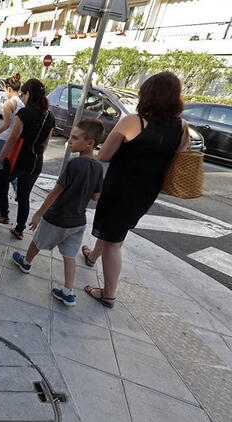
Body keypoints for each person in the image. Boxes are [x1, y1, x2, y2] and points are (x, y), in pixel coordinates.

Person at [81, 72, 190, 308]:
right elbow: (180, 158)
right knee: (113, 230)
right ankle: (92, 256)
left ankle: (108, 294)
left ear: (148, 95)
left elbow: (105, 155)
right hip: (146, 192)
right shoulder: (182, 126)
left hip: (121, 188)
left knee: (114, 241)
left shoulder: (134, 121)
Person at [12, 119, 105, 306]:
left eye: (75, 138)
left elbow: (55, 192)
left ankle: (26, 262)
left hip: (57, 217)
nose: (70, 141)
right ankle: (68, 291)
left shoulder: (74, 164)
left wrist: (39, 214)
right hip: (78, 221)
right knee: (70, 255)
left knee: (38, 241)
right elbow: (96, 196)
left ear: (90, 143)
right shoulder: (97, 167)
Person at [0, 78, 55, 240]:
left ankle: (4, 215)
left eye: (23, 94)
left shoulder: (24, 113)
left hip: (18, 160)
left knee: (1, 184)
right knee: (23, 196)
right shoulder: (50, 116)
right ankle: (19, 229)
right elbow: (46, 142)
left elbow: (12, 139)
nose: (22, 98)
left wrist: (1, 158)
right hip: (36, 163)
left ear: (29, 94)